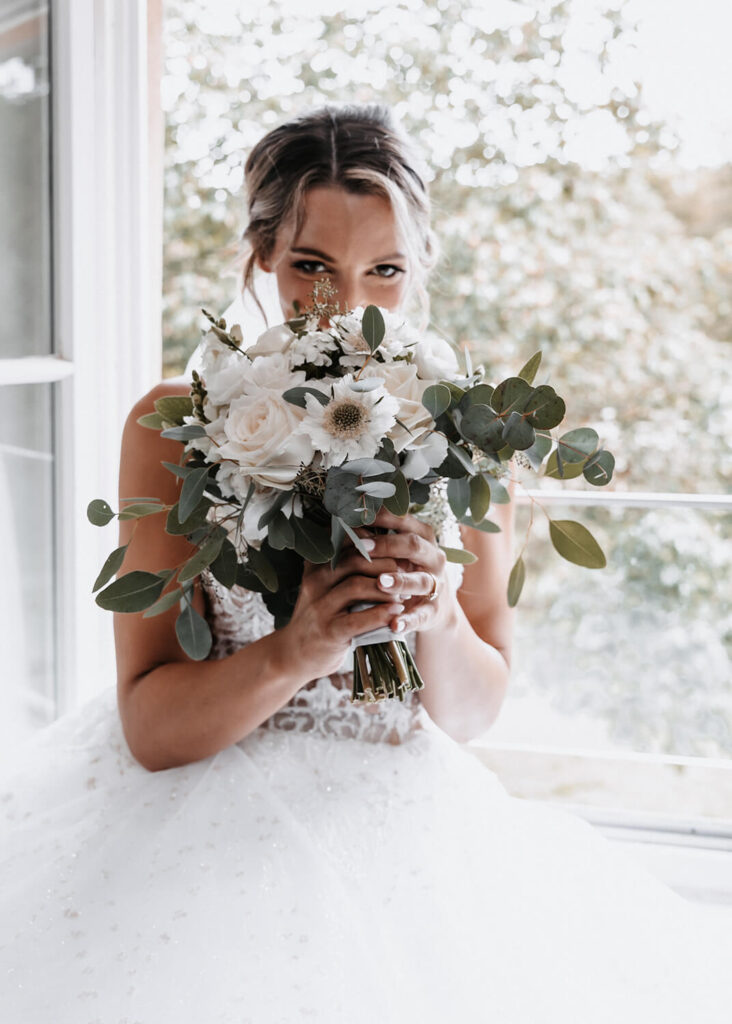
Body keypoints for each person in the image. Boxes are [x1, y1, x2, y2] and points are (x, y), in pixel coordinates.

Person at [0, 103, 730, 1023]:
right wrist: (295, 648)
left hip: (404, 834)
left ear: (416, 271)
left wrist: (436, 618)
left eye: (383, 270)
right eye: (312, 266)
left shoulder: (464, 429)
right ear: (261, 255)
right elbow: (150, 731)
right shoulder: (169, 426)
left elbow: (469, 714)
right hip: (189, 830)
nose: (347, 308)